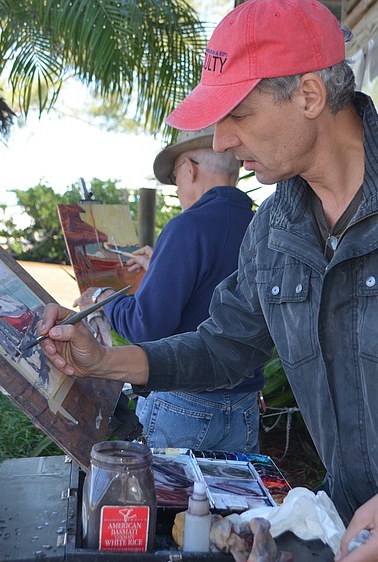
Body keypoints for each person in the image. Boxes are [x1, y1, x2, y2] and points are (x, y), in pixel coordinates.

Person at [39, 1, 378, 561]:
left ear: (310, 95)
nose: (220, 143)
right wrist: (103, 361)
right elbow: (224, 346)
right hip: (354, 531)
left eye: (239, 114)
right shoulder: (275, 227)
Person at [74, 126, 264, 452]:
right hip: (244, 405)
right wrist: (158, 266)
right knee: (231, 503)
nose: (176, 189)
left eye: (175, 177)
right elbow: (219, 286)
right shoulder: (261, 224)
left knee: (168, 503)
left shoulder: (188, 226)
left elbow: (145, 325)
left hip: (185, 403)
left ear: (189, 168)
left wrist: (101, 298)